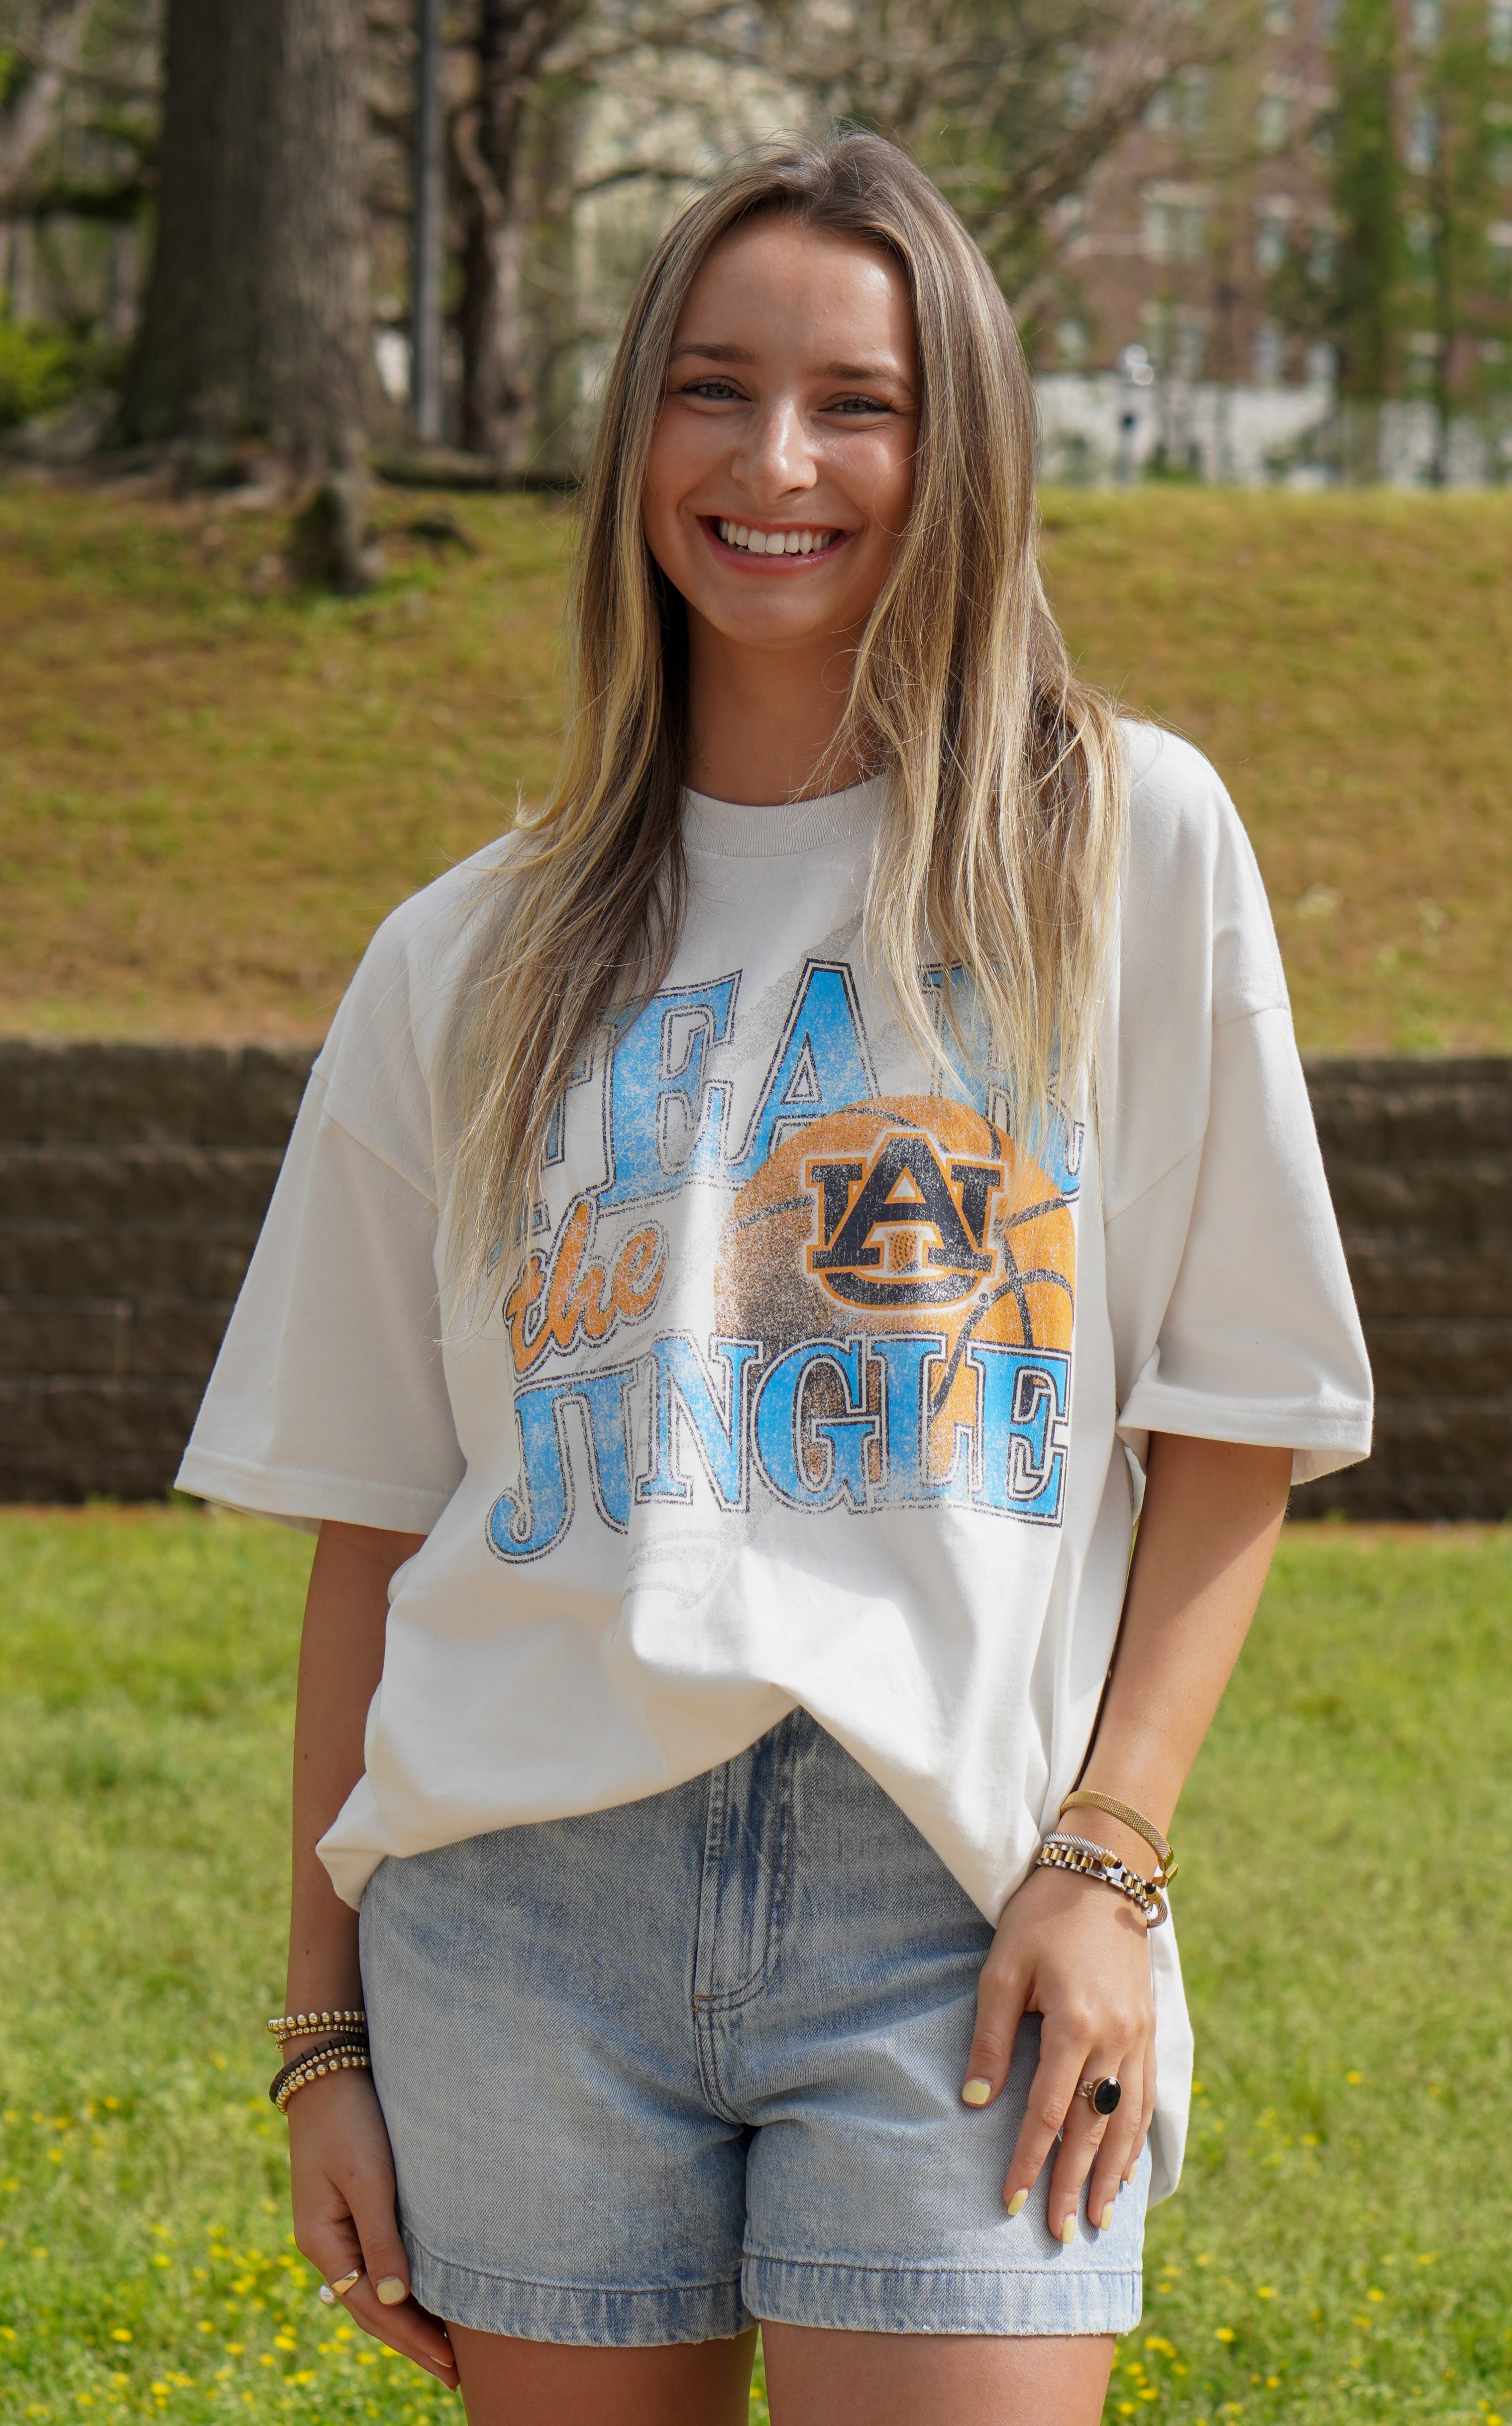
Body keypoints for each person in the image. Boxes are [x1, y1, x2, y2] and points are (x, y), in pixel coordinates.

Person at [177, 132, 1373, 2426]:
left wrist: (1109, 1859)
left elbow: (1235, 1411)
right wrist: (322, 2028)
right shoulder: (467, 954)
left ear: (966, 451)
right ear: (636, 433)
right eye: (712, 390)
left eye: (863, 403)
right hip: (520, 1915)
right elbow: (377, 1517)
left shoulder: (1121, 849)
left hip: (954, 1898)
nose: (779, 462)